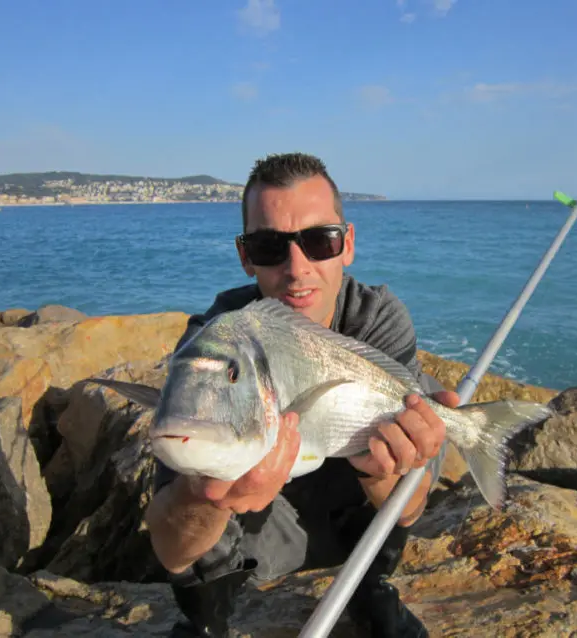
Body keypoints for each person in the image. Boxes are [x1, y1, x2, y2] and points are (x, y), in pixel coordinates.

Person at [145, 152, 459, 638]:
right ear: (244, 256)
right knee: (205, 467)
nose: (297, 267)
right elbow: (170, 547)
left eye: (320, 241)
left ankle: (369, 588)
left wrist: (386, 471)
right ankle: (210, 620)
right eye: (269, 246)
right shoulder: (212, 344)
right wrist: (207, 495)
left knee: (406, 459)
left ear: (347, 244)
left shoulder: (376, 320)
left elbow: (412, 505)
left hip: (343, 505)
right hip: (264, 533)